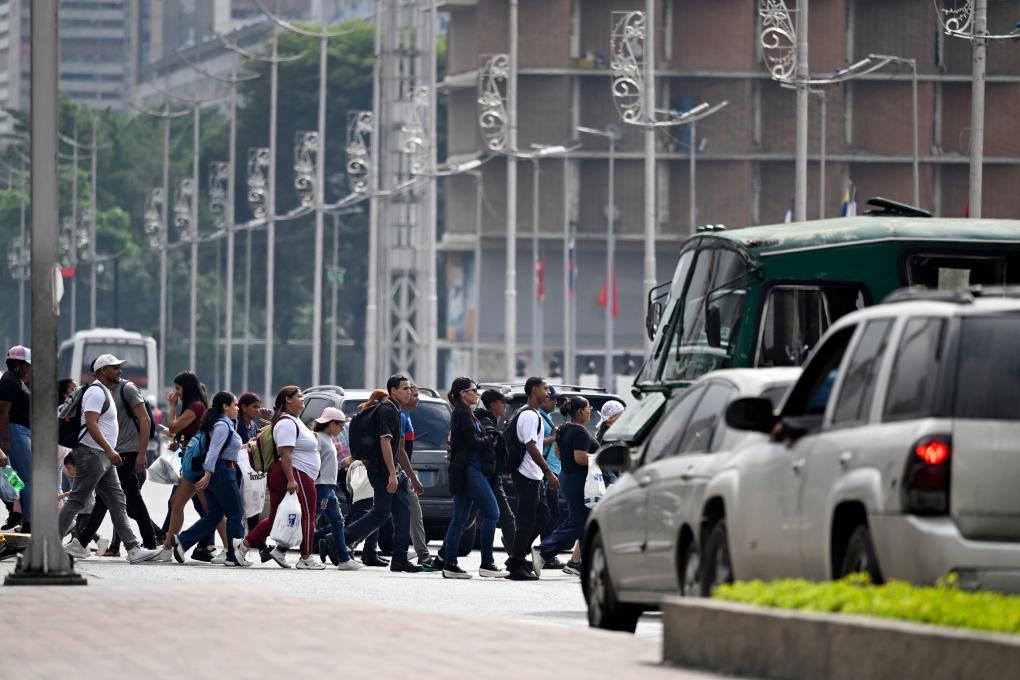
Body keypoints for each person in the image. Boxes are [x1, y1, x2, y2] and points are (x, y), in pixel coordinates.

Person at [58, 354, 161, 564]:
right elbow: (91, 423)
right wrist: (109, 449)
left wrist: (109, 452)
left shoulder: (104, 391)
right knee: (78, 499)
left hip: (102, 455)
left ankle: (133, 549)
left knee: (117, 500)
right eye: (114, 367)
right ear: (102, 371)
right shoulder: (96, 392)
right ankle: (50, 543)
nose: (119, 371)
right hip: (93, 453)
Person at [342, 374, 425, 574]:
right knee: (380, 513)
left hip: (392, 471)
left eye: (409, 388)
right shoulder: (388, 410)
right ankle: (339, 539)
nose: (409, 392)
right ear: (393, 391)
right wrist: (392, 474)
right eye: (405, 388)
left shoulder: (397, 411)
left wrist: (411, 477)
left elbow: (399, 450)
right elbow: (385, 442)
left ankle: (400, 559)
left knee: (402, 514)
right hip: (382, 471)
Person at [235, 386, 325, 570]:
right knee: (308, 515)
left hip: (294, 473)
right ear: (288, 400)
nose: (302, 399)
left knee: (275, 518)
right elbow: (285, 454)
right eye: (299, 396)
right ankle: (306, 558)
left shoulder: (294, 420)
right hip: (296, 473)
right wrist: (291, 479)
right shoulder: (286, 423)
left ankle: (242, 546)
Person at [171, 391, 250, 567]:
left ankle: (183, 541)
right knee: (235, 513)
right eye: (235, 405)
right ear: (225, 406)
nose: (237, 408)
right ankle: (234, 555)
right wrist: (208, 474)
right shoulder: (222, 425)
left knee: (215, 514)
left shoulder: (221, 424)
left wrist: (246, 446)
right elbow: (213, 452)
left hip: (217, 471)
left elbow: (224, 449)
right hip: (221, 472)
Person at [440, 377, 506, 579]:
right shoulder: (461, 413)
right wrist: (490, 438)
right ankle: (487, 563)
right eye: (473, 390)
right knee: (492, 513)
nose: (476, 394)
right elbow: (472, 443)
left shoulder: (465, 412)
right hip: (469, 469)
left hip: (468, 469)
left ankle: (450, 563)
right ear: (463, 393)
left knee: (460, 518)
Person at [158, 371, 223, 563]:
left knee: (210, 509)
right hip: (191, 461)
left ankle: (231, 548)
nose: (176, 392)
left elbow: (173, 427)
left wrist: (172, 406)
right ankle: (167, 548)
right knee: (177, 504)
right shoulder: (195, 405)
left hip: (196, 463)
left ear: (186, 388)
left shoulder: (195, 406)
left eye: (178, 388)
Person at [531, 396, 597, 579]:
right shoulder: (580, 432)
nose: (590, 410)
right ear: (580, 412)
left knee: (583, 521)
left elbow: (559, 454)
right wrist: (600, 457)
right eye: (588, 408)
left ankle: (581, 563)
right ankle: (543, 550)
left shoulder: (563, 429)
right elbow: (580, 458)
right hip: (578, 481)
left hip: (567, 477)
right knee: (579, 522)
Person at [506, 377, 559, 581]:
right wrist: (548, 471)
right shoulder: (528, 415)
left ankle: (517, 556)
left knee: (543, 516)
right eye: (545, 388)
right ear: (534, 390)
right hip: (526, 473)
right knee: (526, 521)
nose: (548, 392)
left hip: (534, 474)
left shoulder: (534, 413)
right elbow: (530, 445)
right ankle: (517, 563)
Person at [311, 407, 361, 571]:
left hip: (329, 487)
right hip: (322, 486)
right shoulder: (318, 438)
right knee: (312, 520)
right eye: (340, 425)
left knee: (337, 522)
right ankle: (284, 549)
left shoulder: (327, 439)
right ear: (332, 423)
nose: (341, 429)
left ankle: (344, 559)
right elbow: (315, 462)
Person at [402, 385, 437, 570]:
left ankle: (342, 543)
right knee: (414, 514)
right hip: (399, 473)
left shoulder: (406, 416)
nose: (417, 398)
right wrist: (412, 478)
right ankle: (423, 556)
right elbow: (400, 451)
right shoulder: (401, 417)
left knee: (380, 514)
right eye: (414, 395)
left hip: (402, 472)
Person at [0, 346, 32, 534]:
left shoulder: (15, 381)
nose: (29, 369)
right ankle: (29, 520)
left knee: (16, 475)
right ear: (18, 365)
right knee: (27, 477)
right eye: (27, 366)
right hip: (15, 431)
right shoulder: (9, 382)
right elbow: (2, 413)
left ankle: (17, 509)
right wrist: (5, 442)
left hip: (20, 431)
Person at [538, 388, 564, 569]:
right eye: (552, 399)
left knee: (549, 515)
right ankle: (546, 555)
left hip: (552, 471)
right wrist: (554, 437)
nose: (555, 403)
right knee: (550, 516)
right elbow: (533, 443)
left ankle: (545, 554)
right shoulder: (538, 417)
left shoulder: (546, 417)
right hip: (546, 473)